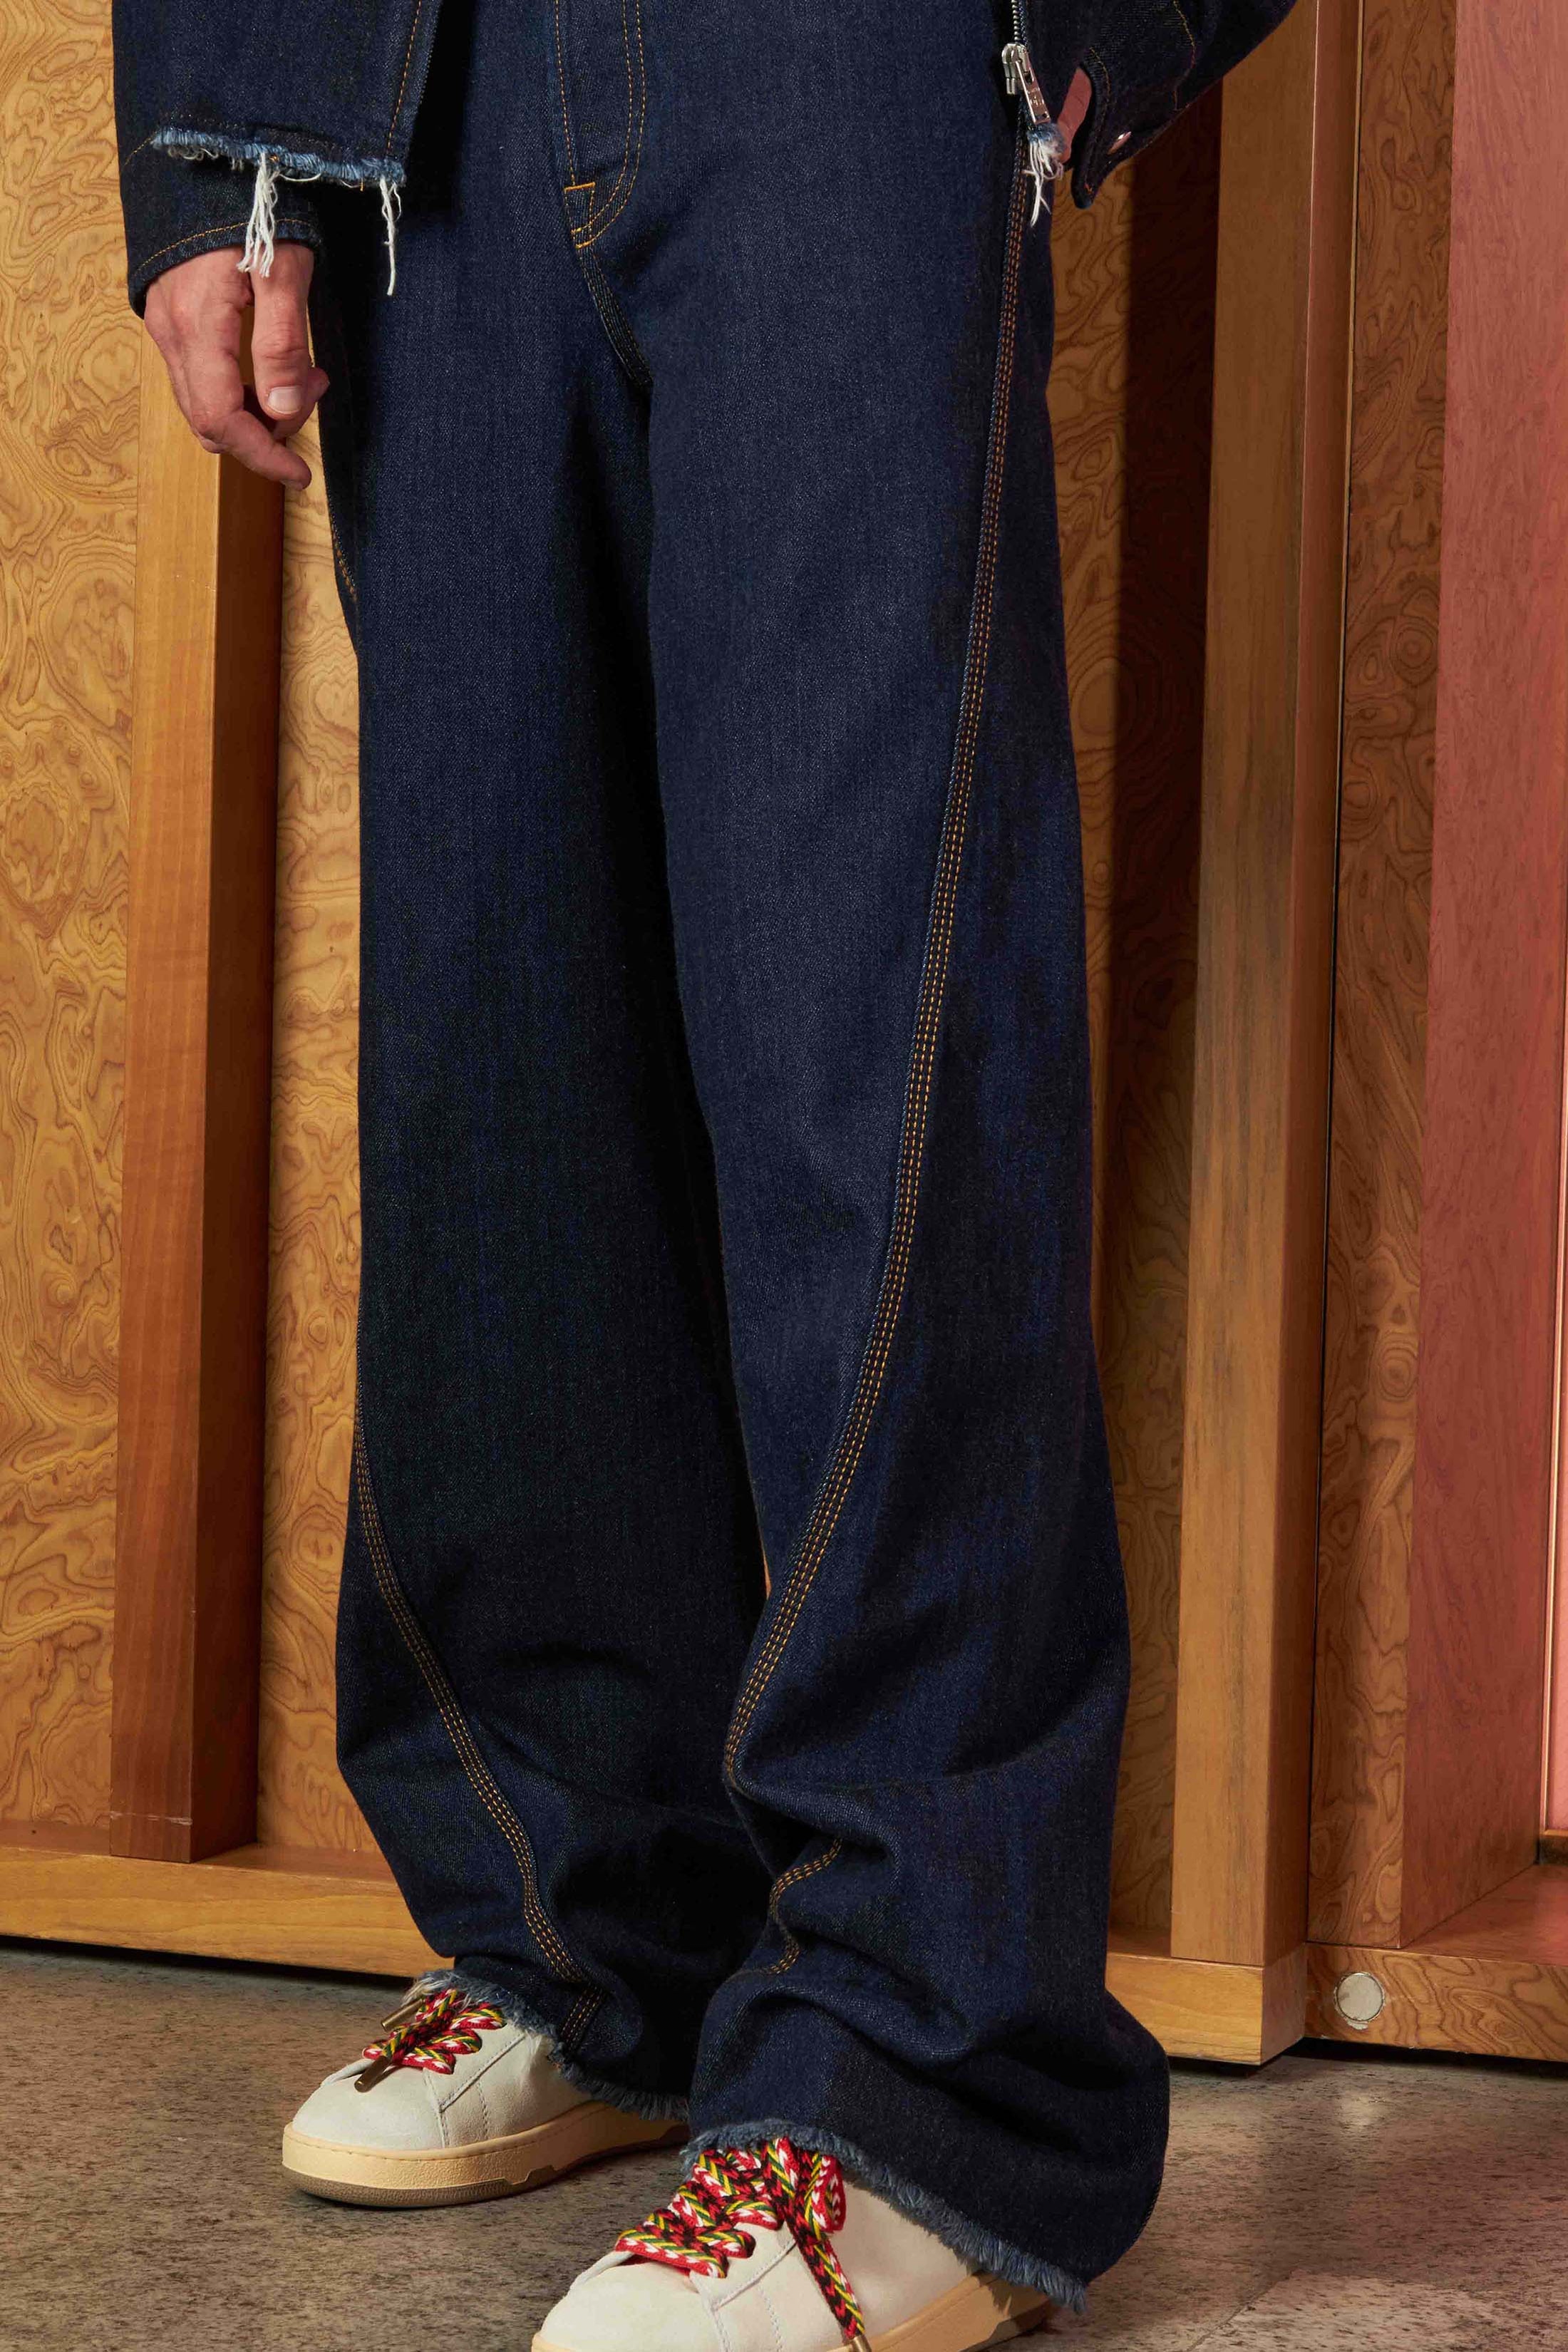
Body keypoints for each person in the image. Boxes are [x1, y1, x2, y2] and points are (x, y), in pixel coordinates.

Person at [112, 2, 1298, 2345]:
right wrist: (212, 140)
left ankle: (926, 2078)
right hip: (427, 64)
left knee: (872, 1011)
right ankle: (588, 1937)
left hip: (841, 52)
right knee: (496, 1036)